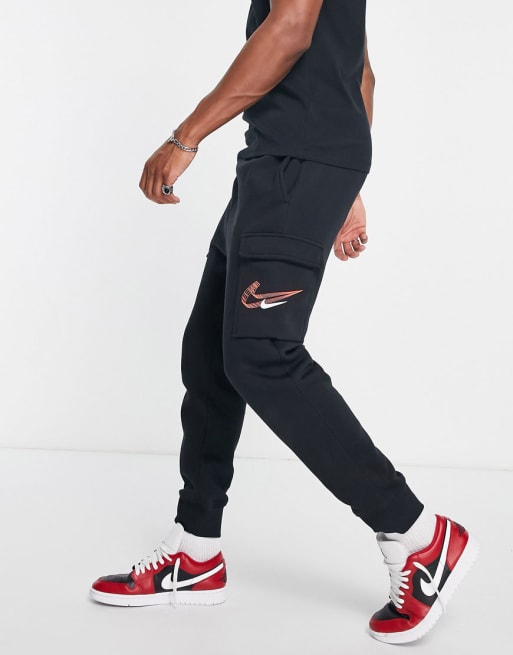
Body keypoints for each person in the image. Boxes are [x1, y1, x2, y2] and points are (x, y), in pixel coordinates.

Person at [90, 0, 477, 644]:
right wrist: (344, 182)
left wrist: (185, 137)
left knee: (263, 355)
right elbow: (360, 70)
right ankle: (195, 551)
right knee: (210, 351)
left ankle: (418, 535)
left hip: (298, 161)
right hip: (279, 161)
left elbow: (292, 26)